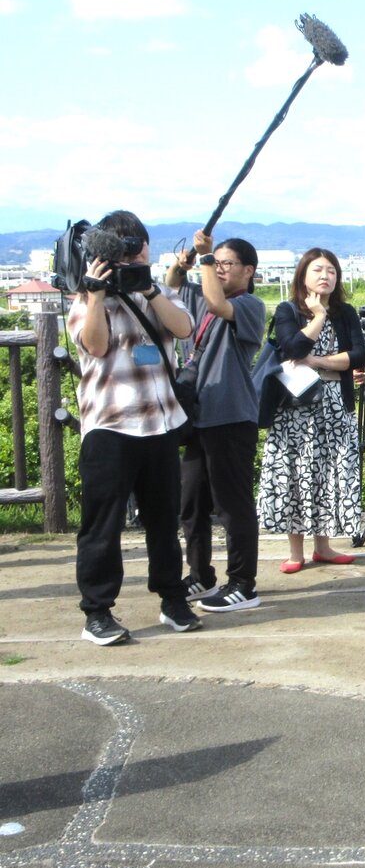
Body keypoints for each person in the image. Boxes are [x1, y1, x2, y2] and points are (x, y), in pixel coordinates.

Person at [67, 210, 201, 644]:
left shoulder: (157, 291)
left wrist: (149, 288)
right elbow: (95, 346)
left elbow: (184, 328)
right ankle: (97, 612)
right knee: (102, 525)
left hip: (160, 423)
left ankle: (173, 600)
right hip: (110, 425)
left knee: (164, 521)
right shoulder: (86, 297)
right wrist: (95, 294)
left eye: (139, 244)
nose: (134, 253)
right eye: (124, 247)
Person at [165, 231, 266, 613]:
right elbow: (172, 285)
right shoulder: (200, 295)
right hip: (198, 417)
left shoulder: (251, 305)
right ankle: (201, 575)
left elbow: (216, 303)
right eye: (217, 263)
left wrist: (206, 260)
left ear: (248, 270)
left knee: (232, 504)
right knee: (191, 502)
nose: (220, 269)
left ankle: (243, 583)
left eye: (227, 264)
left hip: (231, 416)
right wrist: (185, 261)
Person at [258, 248, 365, 572]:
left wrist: (318, 361)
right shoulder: (287, 310)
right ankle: (296, 552)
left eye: (332, 271)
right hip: (295, 408)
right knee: (296, 473)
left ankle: (323, 546)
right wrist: (318, 316)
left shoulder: (345, 312)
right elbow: (293, 347)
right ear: (303, 275)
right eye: (318, 270)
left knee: (329, 472)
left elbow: (358, 355)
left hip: (335, 405)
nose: (326, 276)